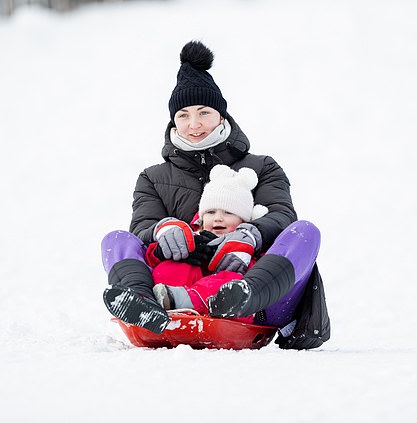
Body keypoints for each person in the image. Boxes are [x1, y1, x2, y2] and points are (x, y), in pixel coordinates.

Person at [101, 40, 330, 349]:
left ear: (221, 116)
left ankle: (239, 296)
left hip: (254, 294)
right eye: (183, 115)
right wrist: (162, 229)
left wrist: (250, 235)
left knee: (305, 233)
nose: (194, 124)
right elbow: (140, 231)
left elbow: (282, 215)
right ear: (173, 121)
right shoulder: (153, 178)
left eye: (204, 112)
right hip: (170, 291)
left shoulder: (261, 167)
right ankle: (143, 306)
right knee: (115, 240)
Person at [148, 164, 268, 323]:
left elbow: (260, 270)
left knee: (232, 281)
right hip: (176, 296)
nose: (218, 218)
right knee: (171, 266)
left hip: (223, 310)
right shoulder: (191, 235)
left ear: (243, 221)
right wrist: (161, 252)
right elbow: (150, 260)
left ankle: (188, 301)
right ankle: (162, 301)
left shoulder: (245, 246)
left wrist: (240, 258)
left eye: (229, 212)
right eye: (211, 212)